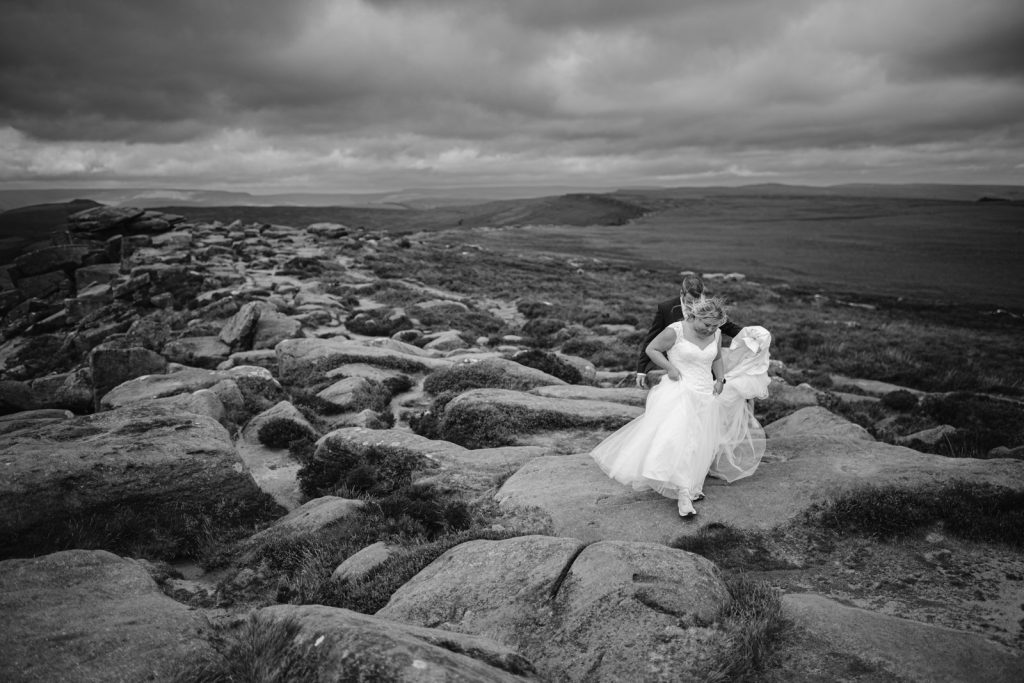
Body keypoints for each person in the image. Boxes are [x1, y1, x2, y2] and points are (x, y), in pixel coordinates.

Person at [591, 296, 770, 518]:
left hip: (705, 393)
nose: (711, 329)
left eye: (715, 326)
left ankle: (693, 486)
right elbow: (652, 349)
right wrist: (669, 367)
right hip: (679, 390)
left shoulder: (714, 333)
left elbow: (716, 360)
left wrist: (720, 379)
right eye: (706, 324)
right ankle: (684, 494)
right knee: (682, 437)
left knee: (700, 441)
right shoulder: (675, 330)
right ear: (693, 316)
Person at [635, 275, 743, 389]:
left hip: (704, 373)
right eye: (690, 302)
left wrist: (749, 334)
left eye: (697, 301)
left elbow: (728, 327)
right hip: (678, 370)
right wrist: (642, 371)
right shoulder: (666, 308)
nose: (694, 306)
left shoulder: (708, 309)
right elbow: (652, 339)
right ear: (682, 293)